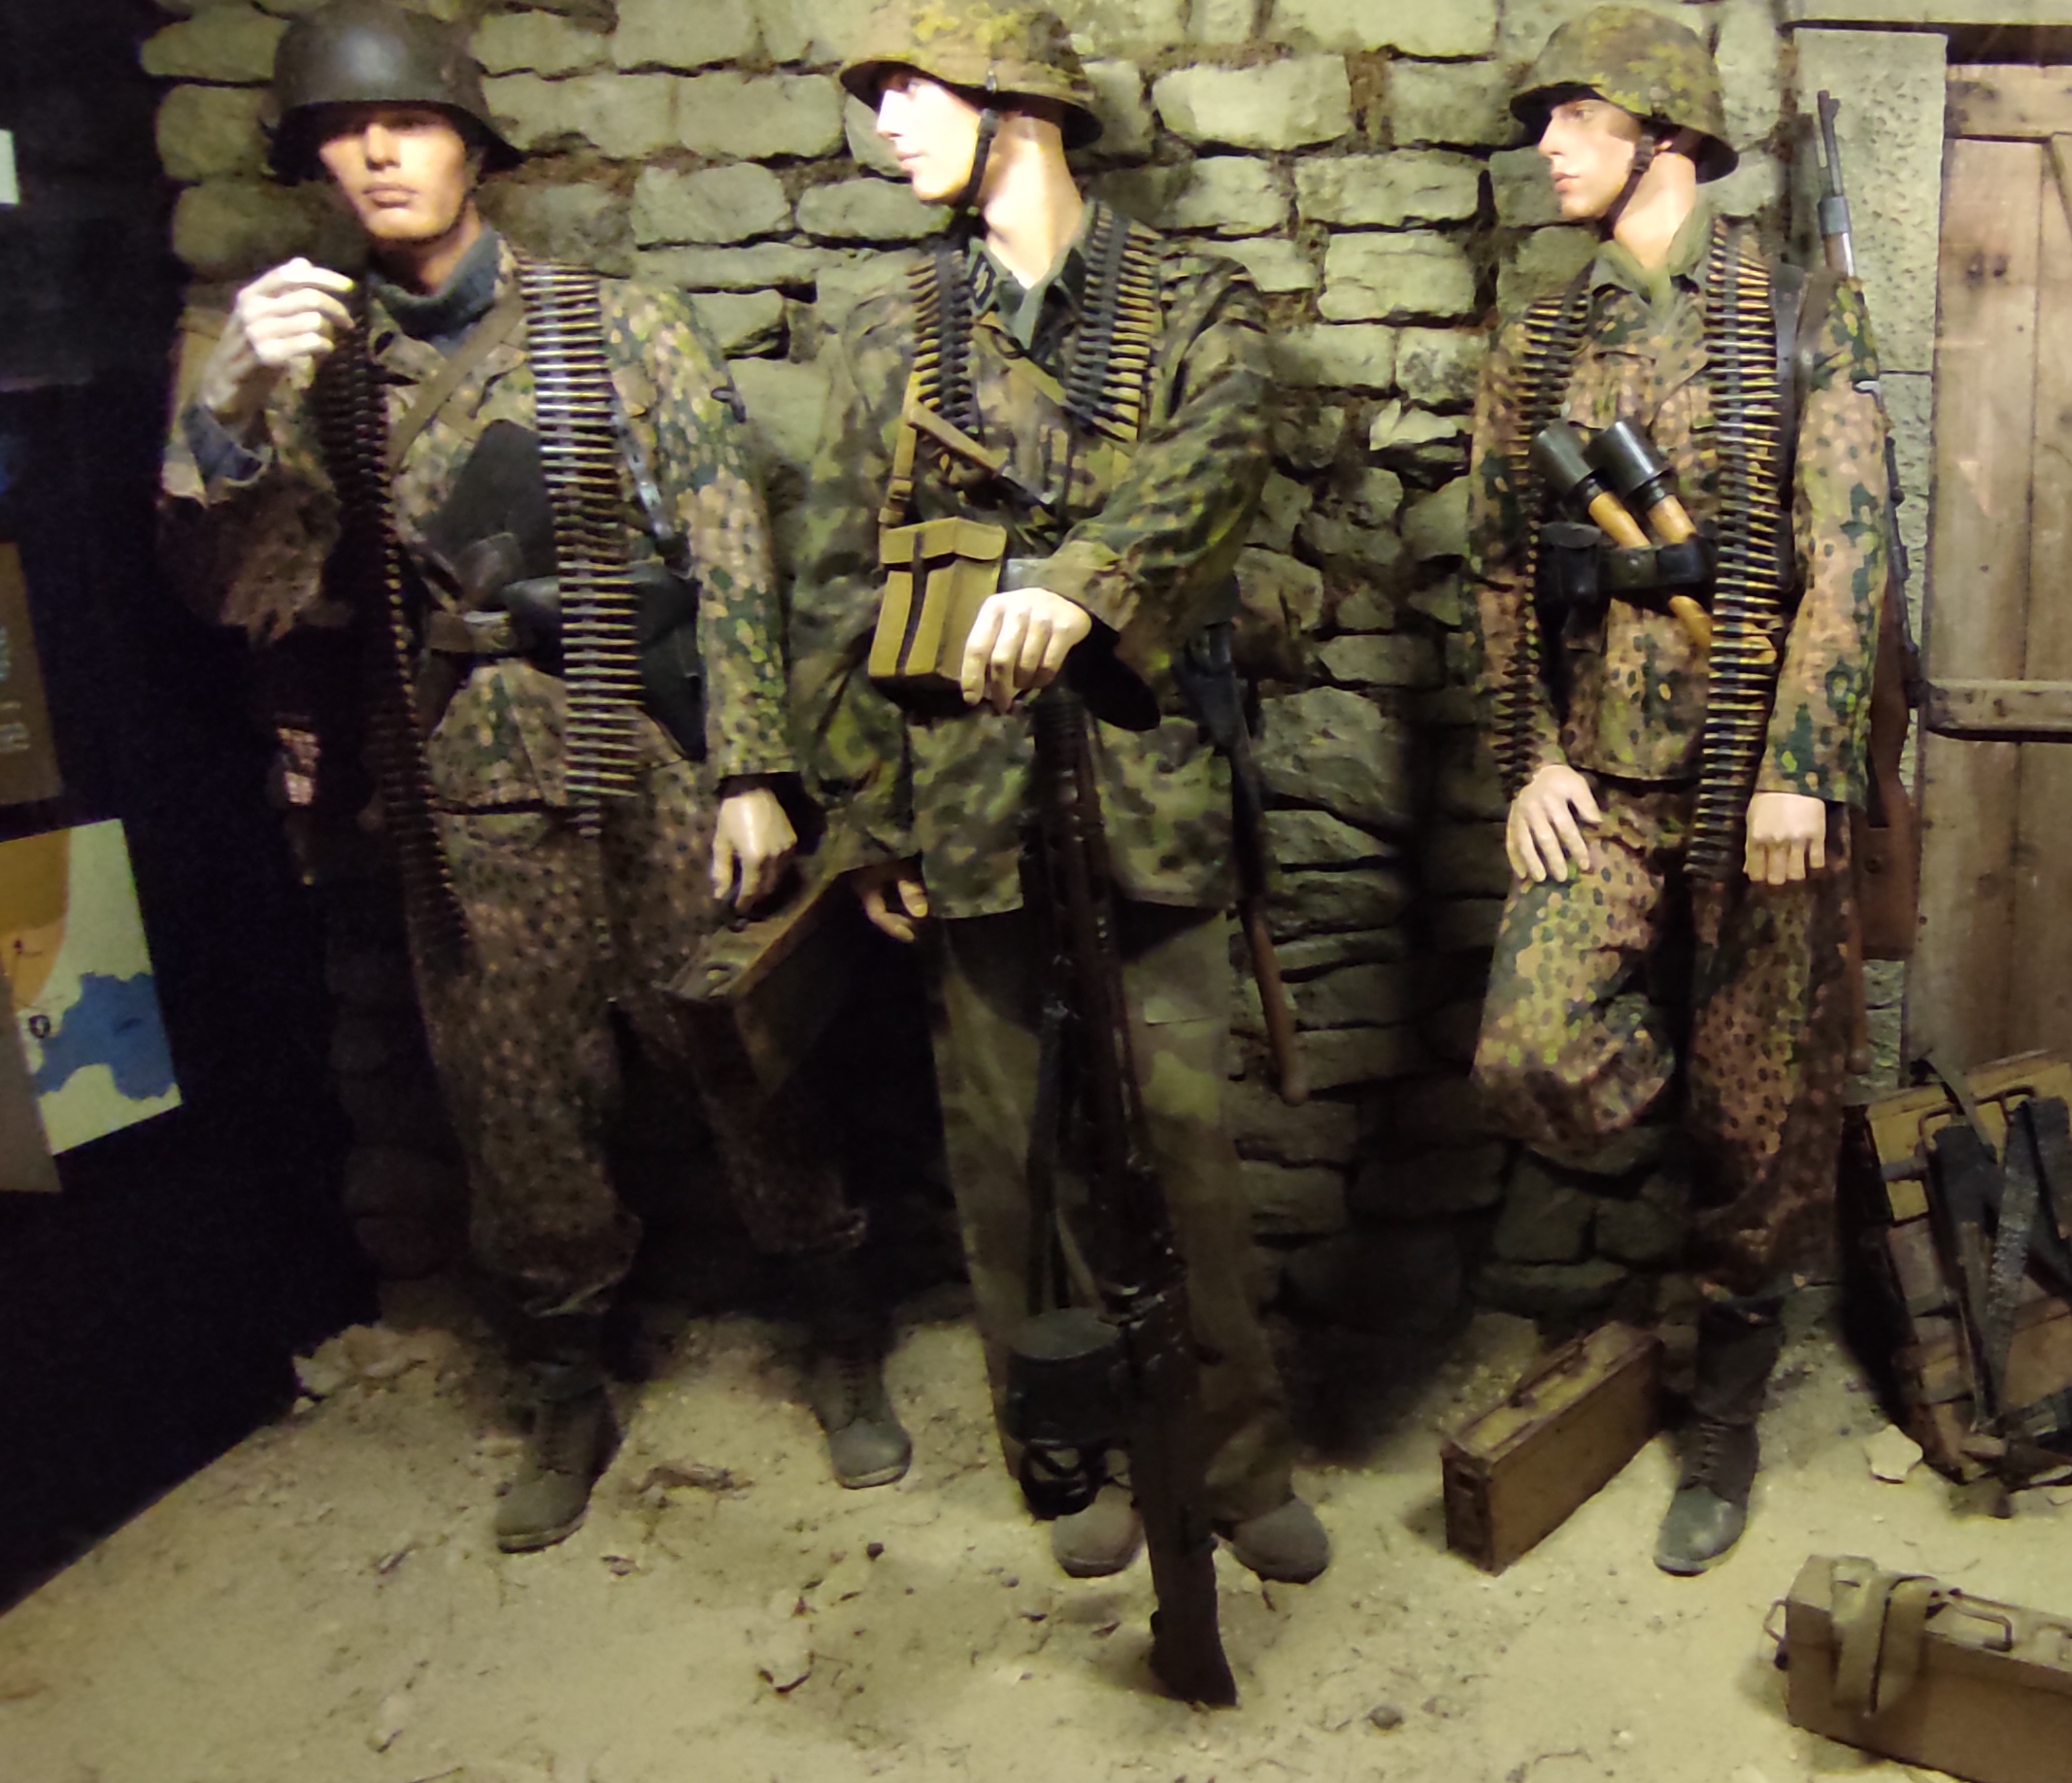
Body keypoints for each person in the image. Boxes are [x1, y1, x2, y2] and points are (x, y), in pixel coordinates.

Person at [157, 0, 900, 1553]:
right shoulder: (294, 368)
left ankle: (836, 1328)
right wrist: (226, 413)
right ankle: (567, 1381)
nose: (377, 153)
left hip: (653, 759)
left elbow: (730, 547)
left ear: (473, 144)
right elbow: (243, 597)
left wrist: (755, 767)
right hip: (459, 788)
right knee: (515, 1107)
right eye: (342, 135)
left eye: (409, 123)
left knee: (748, 1059)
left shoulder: (616, 328)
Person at [785, 1, 1326, 1586]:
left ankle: (1233, 1459)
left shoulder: (1192, 303)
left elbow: (1220, 458)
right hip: (963, 790)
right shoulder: (886, 333)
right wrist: (866, 814)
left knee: (1183, 1144)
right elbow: (833, 588)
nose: (886, 119)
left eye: (912, 88)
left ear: (1015, 103)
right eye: (876, 93)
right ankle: (1069, 1450)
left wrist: (1081, 582)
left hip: (1145, 781)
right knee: (1005, 1151)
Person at [1465, 5, 1889, 1575]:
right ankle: (1711, 1162)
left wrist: (1804, 767)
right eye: (1545, 122)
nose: (1548, 146)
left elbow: (1851, 550)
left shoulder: (1796, 311)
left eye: (1578, 117)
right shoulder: (1540, 341)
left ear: (1667, 136)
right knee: (1533, 1053)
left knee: (1763, 1102)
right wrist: (1530, 758)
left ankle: (1727, 1389)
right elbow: (1501, 572)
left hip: (1756, 782)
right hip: (1604, 772)